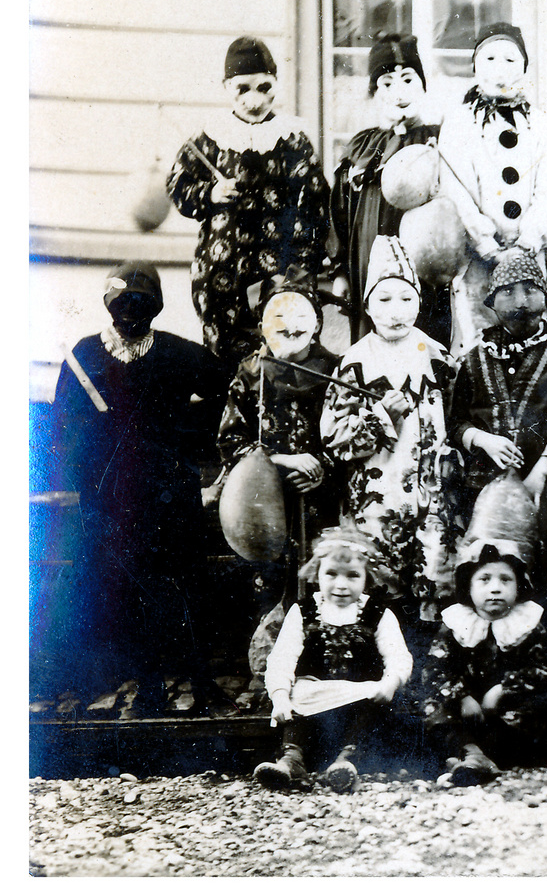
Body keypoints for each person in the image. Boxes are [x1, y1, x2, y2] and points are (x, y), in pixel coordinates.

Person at [48, 262, 234, 715]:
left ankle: (200, 681)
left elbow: (226, 386)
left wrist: (186, 436)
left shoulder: (175, 353)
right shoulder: (84, 355)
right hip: (109, 495)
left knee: (182, 582)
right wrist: (88, 470)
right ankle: (136, 687)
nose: (131, 313)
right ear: (108, 305)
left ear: (157, 307)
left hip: (168, 491)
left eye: (142, 303)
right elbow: (61, 426)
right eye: (122, 303)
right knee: (116, 586)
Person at [321, 236, 458, 634]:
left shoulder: (437, 356)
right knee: (381, 583)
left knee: (433, 577)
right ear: (366, 305)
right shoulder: (355, 362)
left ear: (418, 302)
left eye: (405, 298)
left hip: (432, 495)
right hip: (377, 500)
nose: (396, 312)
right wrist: (381, 417)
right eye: (384, 300)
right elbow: (334, 438)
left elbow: (458, 418)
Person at [166, 36, 332, 365]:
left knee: (281, 359)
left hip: (280, 273)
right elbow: (177, 184)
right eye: (243, 89)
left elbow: (315, 202)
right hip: (222, 272)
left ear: (276, 85)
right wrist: (209, 193)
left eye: (264, 88)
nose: (254, 101)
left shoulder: (292, 139)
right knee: (224, 365)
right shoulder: (209, 138)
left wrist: (301, 267)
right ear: (226, 86)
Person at [254, 523, 413, 792]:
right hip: (315, 696)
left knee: (372, 707)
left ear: (367, 577)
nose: (340, 585)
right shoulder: (303, 611)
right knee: (296, 699)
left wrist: (391, 682)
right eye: (331, 574)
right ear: (317, 574)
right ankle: (291, 760)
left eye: (352, 575)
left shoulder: (377, 613)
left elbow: (398, 655)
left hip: (358, 695)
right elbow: (282, 657)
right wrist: (280, 695)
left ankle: (347, 762)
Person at [439, 23, 547, 356]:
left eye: (510, 60)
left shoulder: (542, 123)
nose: (499, 69)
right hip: (478, 259)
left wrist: (527, 242)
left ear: (523, 67)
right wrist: (487, 244)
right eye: (489, 58)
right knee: (479, 342)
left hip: (529, 254)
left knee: (532, 337)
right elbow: (455, 191)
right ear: (475, 67)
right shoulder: (459, 122)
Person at [447, 248, 547, 548]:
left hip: (544, 484)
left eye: (530, 290)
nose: (520, 301)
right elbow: (455, 423)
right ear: (492, 301)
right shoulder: (475, 358)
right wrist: (484, 440)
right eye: (508, 291)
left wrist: (541, 472)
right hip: (483, 486)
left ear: (546, 299)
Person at [218, 283, 342, 603]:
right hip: (263, 502)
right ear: (262, 327)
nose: (290, 325)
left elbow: (348, 437)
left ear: (317, 324)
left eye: (301, 315)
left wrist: (321, 467)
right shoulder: (250, 373)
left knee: (321, 590)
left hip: (322, 497)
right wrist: (285, 460)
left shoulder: (337, 370)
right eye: (278, 316)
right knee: (270, 592)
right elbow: (230, 441)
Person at [330, 33, 450, 344]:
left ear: (422, 86)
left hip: (426, 266)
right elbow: (340, 212)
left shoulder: (440, 139)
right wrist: (341, 271)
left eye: (408, 80)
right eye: (386, 83)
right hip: (367, 262)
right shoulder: (361, 146)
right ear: (374, 92)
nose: (399, 91)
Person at [422, 540, 547, 787]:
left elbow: (545, 668)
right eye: (485, 580)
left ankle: (493, 758)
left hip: (507, 708)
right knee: (433, 707)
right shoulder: (456, 624)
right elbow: (436, 669)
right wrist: (463, 697)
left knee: (541, 706)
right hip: (467, 710)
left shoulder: (527, 625)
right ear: (468, 585)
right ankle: (471, 753)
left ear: (519, 585)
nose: (496, 588)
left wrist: (503, 690)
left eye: (505, 580)